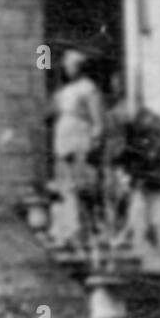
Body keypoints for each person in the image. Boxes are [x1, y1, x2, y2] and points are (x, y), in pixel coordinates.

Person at [50, 47, 104, 246]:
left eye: (71, 65)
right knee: (65, 186)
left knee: (81, 186)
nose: (67, 69)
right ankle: (67, 229)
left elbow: (97, 120)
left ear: (80, 67)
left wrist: (95, 142)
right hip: (64, 141)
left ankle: (84, 230)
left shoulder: (88, 88)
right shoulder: (65, 90)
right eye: (66, 65)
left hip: (80, 140)